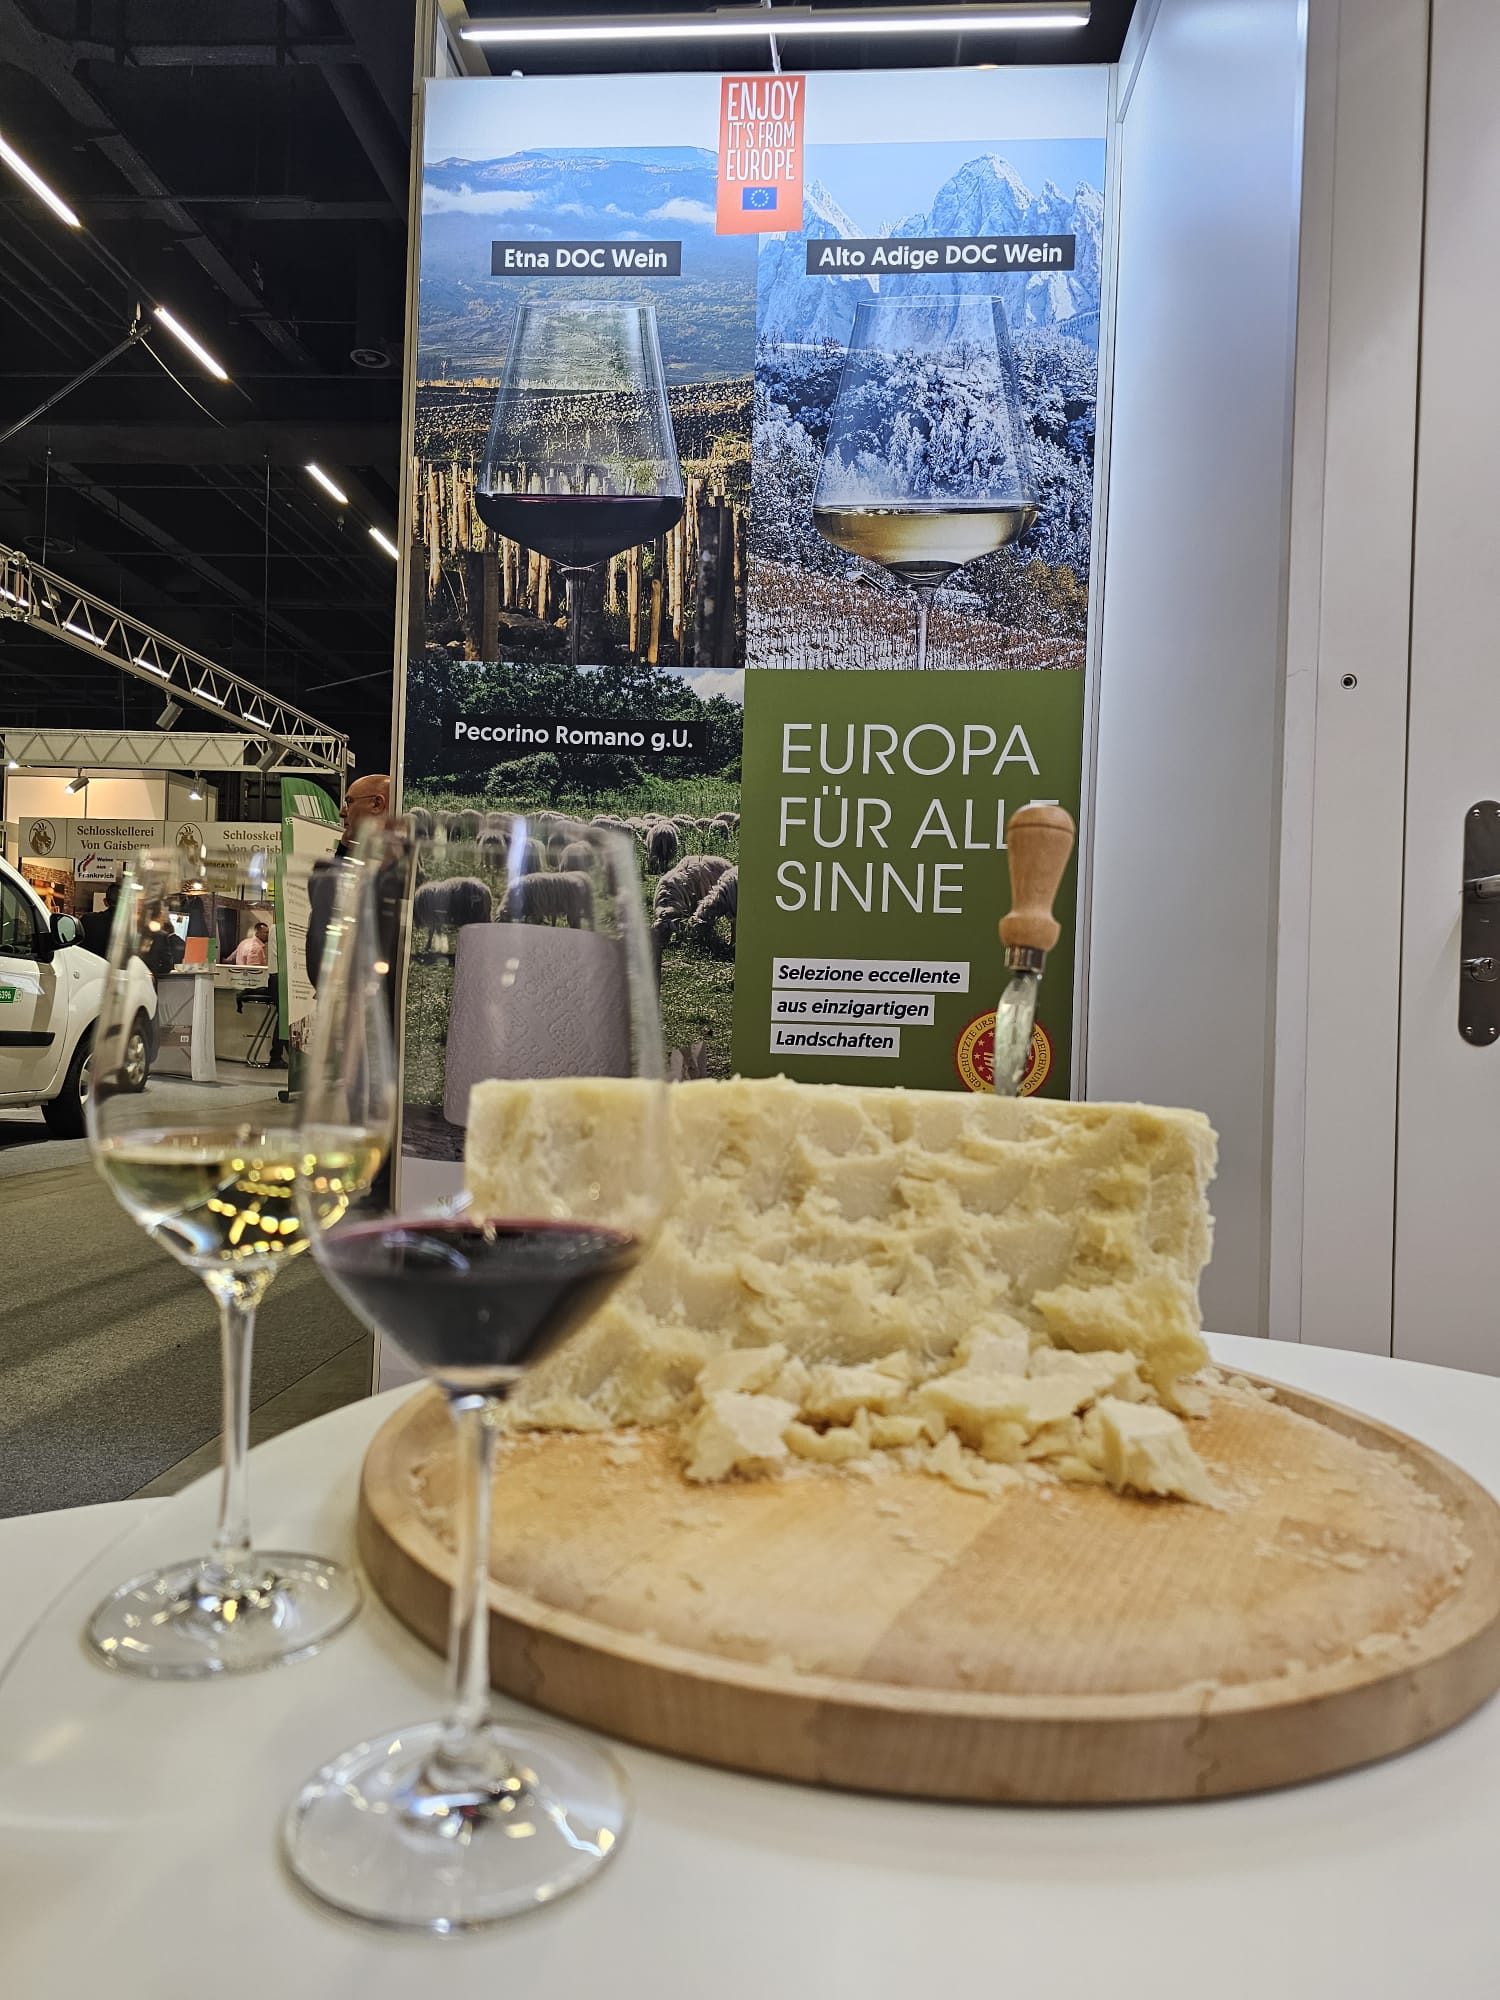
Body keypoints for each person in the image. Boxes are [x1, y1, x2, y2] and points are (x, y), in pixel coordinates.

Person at [305, 773, 395, 992]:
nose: (342, 811)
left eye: (349, 801)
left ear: (377, 803)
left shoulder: (403, 872)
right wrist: (345, 849)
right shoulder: (332, 870)